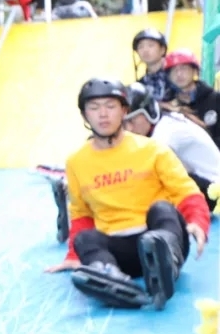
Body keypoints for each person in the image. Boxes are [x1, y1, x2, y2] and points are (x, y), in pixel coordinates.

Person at [45, 79, 209, 311]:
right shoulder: (76, 162)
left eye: (110, 106)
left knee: (162, 210)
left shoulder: (152, 149)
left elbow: (185, 190)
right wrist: (73, 254)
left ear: (124, 110)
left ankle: (166, 263)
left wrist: (197, 221)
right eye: (94, 107)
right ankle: (113, 280)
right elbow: (81, 213)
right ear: (84, 116)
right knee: (85, 239)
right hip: (120, 248)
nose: (103, 114)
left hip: (158, 238)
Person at [124, 82, 220, 208]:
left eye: (132, 119)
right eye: (123, 123)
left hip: (214, 192)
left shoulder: (166, 133)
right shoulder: (163, 123)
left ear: (149, 112)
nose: (128, 128)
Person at [160, 49, 220, 150]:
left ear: (195, 71)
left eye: (183, 68)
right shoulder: (166, 107)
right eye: (174, 70)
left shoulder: (215, 98)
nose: (179, 74)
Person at [132, 28, 172, 101]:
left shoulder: (175, 76)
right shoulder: (140, 84)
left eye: (151, 45)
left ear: (162, 49)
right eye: (141, 47)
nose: (145, 50)